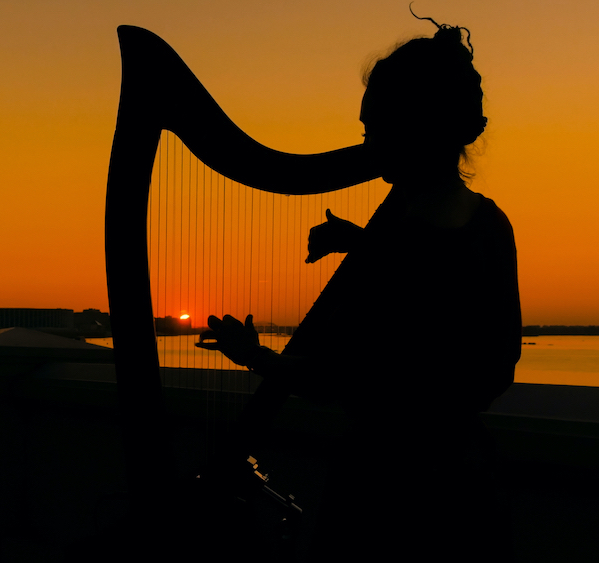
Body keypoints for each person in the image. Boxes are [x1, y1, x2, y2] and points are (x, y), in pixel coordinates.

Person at [197, 16, 519, 562]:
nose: (365, 140)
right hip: (464, 483)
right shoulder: (488, 226)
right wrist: (361, 242)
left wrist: (255, 357)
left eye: (374, 126)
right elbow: (488, 365)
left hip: (386, 494)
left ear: (415, 126)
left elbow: (343, 379)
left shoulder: (395, 241)